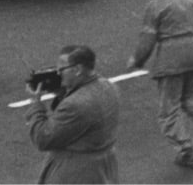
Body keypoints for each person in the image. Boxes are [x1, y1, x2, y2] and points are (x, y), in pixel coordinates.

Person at [129, 0, 193, 169]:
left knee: (169, 109)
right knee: (190, 98)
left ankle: (186, 150)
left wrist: (138, 60)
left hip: (171, 60)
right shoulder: (188, 0)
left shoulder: (154, 6)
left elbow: (148, 38)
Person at [25, 44, 121, 184]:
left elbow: (43, 139)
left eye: (61, 70)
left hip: (76, 174)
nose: (58, 74)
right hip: (105, 169)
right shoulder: (110, 87)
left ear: (77, 70)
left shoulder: (75, 105)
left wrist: (36, 104)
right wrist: (62, 93)